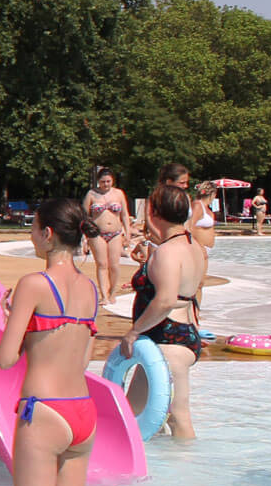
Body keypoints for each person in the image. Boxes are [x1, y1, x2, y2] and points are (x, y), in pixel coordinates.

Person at [0, 199, 103, 486]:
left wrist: (10, 318)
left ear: (48, 234)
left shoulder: (33, 285)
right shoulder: (90, 289)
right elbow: (82, 360)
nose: (30, 235)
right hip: (83, 412)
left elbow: (5, 359)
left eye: (33, 228)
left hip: (44, 411)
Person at [126, 185, 208, 440]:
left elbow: (165, 300)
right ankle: (155, 462)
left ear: (153, 212)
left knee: (178, 417)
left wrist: (133, 332)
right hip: (180, 335)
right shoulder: (192, 246)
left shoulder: (167, 252)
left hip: (168, 340)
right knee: (131, 412)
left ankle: (188, 465)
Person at [83, 167, 131, 299]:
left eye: (108, 181)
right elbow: (84, 216)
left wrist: (128, 232)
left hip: (115, 232)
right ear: (98, 181)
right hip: (97, 233)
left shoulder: (119, 194)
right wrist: (85, 237)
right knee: (102, 264)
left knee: (114, 265)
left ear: (112, 181)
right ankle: (104, 295)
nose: (106, 184)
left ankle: (112, 292)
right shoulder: (91, 194)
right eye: (103, 182)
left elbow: (125, 215)